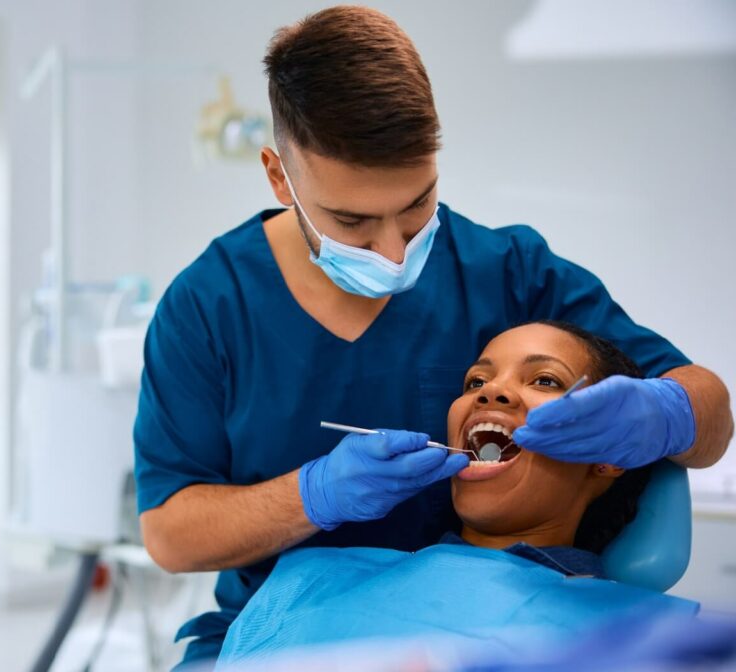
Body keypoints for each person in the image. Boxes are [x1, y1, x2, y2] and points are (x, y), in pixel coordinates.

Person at [133, 6, 733, 666]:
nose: (393, 253)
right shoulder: (210, 306)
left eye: (417, 206)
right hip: (289, 626)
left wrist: (665, 413)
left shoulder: (507, 272)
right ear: (281, 178)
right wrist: (313, 495)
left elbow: (709, 412)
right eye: (354, 222)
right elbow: (170, 535)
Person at [217, 321, 700, 666]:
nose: (491, 393)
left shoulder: (652, 642)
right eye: (477, 381)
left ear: (610, 450)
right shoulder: (310, 580)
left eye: (545, 380)